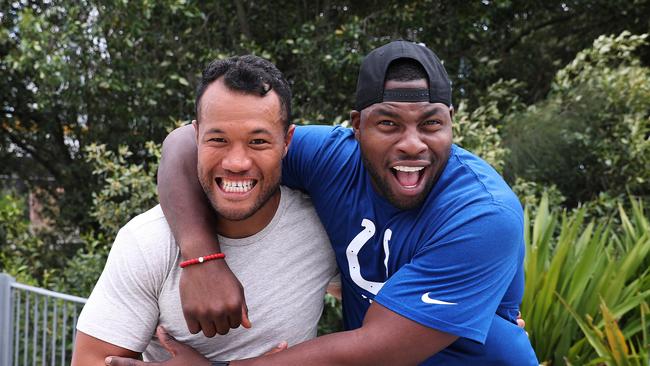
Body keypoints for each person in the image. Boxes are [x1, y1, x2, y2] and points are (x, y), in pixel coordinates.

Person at [108, 40, 538, 365]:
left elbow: (372, 349)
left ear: (450, 124)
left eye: (431, 124)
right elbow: (187, 141)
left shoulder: (483, 215)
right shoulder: (333, 159)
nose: (412, 144)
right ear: (357, 127)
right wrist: (202, 259)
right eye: (388, 123)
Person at [72, 55, 338, 365]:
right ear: (196, 136)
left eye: (258, 141)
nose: (236, 162)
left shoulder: (322, 227)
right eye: (218, 139)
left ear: (287, 142)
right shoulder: (148, 242)